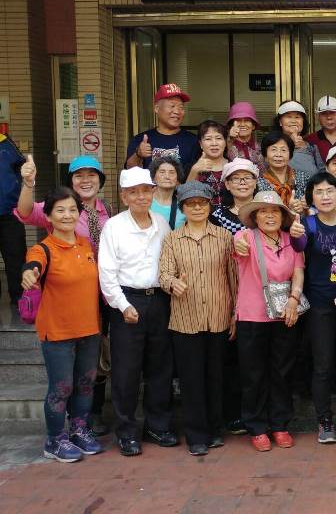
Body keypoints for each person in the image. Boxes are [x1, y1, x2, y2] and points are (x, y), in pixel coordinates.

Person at [18, 155, 113, 435]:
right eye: (79, 175)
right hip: (65, 296)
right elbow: (24, 212)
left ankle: (90, 417)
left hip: (100, 295)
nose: (86, 180)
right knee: (65, 374)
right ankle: (63, 429)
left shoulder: (107, 210)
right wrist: (28, 182)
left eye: (92, 175)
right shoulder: (62, 209)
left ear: (100, 180)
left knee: (96, 363)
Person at [98, 167, 175, 457]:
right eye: (134, 192)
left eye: (146, 190)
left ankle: (158, 426)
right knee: (126, 372)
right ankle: (127, 431)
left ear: (153, 192)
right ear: (124, 196)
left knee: (160, 368)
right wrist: (123, 305)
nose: (141, 196)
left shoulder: (161, 224)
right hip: (127, 302)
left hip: (159, 301)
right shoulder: (114, 227)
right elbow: (107, 273)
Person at [22, 187, 102, 462]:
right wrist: (29, 274)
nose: (67, 215)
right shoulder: (42, 248)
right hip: (57, 332)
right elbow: (34, 264)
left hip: (90, 329)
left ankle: (79, 430)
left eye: (72, 210)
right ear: (48, 216)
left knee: (86, 384)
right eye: (60, 210)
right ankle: (55, 439)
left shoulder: (85, 244)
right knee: (62, 387)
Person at [158, 181, 237, 456]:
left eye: (202, 203)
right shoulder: (172, 239)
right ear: (183, 208)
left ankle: (215, 429)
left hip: (218, 315)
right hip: (185, 319)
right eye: (191, 204)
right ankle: (196, 434)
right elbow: (164, 273)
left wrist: (235, 313)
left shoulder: (224, 237)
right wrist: (172, 284)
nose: (197, 208)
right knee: (191, 380)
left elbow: (233, 278)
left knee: (216, 377)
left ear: (209, 206)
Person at [291, 173, 336, 444]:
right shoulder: (306, 224)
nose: (325, 196)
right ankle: (324, 421)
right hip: (319, 304)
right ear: (311, 197)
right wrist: (295, 231)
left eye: (329, 191)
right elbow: (297, 246)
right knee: (322, 365)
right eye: (318, 192)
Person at [232, 190, 305, 452]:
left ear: (283, 216)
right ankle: (257, 426)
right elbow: (237, 246)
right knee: (253, 373)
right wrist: (238, 244)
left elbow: (298, 271)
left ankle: (280, 424)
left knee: (282, 371)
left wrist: (294, 301)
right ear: (255, 216)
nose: (270, 215)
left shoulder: (291, 240)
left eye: (275, 211)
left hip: (285, 313)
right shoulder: (245, 237)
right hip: (252, 315)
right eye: (263, 211)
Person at [208, 158, 259, 435]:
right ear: (226, 184)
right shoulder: (215, 215)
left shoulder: (264, 212)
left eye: (247, 177)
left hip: (258, 292)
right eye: (236, 178)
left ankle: (253, 412)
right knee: (228, 356)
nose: (242, 182)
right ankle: (231, 413)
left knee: (252, 358)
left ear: (255, 181)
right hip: (225, 288)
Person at [126, 84, 200, 174]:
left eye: (181, 107)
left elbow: (197, 175)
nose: (177, 111)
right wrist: (138, 155)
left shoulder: (192, 141)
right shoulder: (140, 140)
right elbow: (130, 172)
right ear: (157, 108)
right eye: (172, 106)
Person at [0, 133, 25, 309]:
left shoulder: (4, 140)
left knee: (16, 256)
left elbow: (21, 166)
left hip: (9, 213)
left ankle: (20, 299)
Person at [260, 130, 310, 216]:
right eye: (273, 150)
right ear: (265, 156)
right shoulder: (259, 183)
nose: (278, 154)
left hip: (301, 226)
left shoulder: (304, 177)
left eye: (283, 150)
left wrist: (305, 206)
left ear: (290, 155)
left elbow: (312, 207)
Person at [275, 100, 324, 177]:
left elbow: (322, 173)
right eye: (289, 117)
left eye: (297, 117)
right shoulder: (271, 145)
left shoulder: (312, 147)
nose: (293, 121)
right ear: (280, 122)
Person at [187, 120, 228, 206]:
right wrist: (194, 171)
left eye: (218, 138)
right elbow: (184, 198)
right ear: (201, 144)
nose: (214, 143)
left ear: (225, 142)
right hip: (201, 216)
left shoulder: (234, 166)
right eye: (208, 139)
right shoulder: (192, 167)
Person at [305, 95, 336, 162]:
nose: (329, 117)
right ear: (317, 117)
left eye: (332, 113)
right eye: (324, 114)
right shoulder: (308, 141)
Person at [148, 157, 186, 229]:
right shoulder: (144, 201)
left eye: (172, 173)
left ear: (177, 179)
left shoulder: (184, 204)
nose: (167, 177)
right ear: (153, 178)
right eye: (162, 172)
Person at [226, 102, 263, 168]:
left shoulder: (262, 148)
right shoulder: (224, 147)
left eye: (247, 120)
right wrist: (230, 140)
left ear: (253, 126)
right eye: (238, 120)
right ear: (231, 126)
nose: (242, 124)